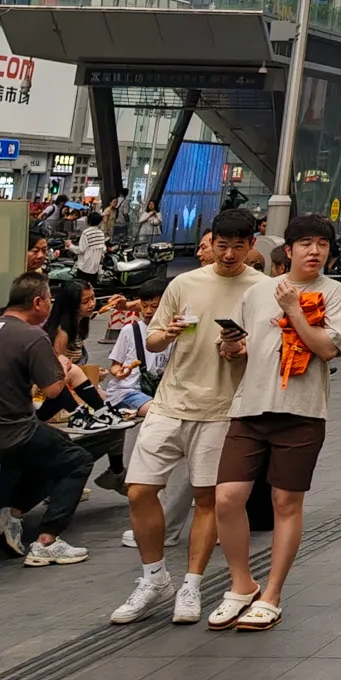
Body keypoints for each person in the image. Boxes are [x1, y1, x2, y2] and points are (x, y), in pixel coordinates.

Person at [113, 205, 261, 625]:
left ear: (252, 246)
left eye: (237, 246)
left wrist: (240, 348)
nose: (228, 254)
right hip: (170, 402)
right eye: (221, 245)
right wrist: (169, 332)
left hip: (221, 409)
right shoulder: (185, 282)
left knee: (206, 499)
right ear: (210, 243)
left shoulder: (264, 288)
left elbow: (268, 350)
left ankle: (192, 586)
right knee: (139, 490)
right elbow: (155, 341)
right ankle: (153, 576)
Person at [209, 211, 341, 631]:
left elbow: (325, 349)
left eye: (322, 245)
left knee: (285, 503)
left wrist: (294, 309)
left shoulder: (335, 293)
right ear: (287, 251)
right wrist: (233, 347)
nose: (315, 251)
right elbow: (246, 342)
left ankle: (272, 593)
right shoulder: (258, 292)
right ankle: (241, 584)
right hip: (250, 408)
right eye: (306, 244)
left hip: (301, 412)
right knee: (227, 498)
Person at [0, 273, 92, 568]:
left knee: (54, 449)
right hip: (12, 431)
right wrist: (63, 366)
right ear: (38, 302)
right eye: (49, 300)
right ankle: (47, 541)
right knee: (78, 460)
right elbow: (53, 389)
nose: (51, 306)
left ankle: (9, 512)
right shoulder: (33, 336)